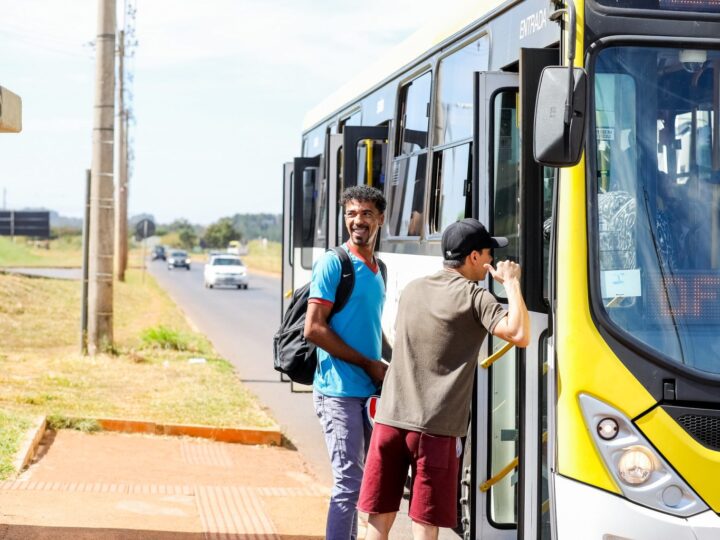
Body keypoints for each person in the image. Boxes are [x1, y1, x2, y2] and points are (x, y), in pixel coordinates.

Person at [357, 218, 531, 540]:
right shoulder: (475, 297)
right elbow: (520, 334)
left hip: (389, 421)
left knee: (378, 519)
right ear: (473, 257)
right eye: (488, 253)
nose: (492, 260)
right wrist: (512, 284)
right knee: (426, 522)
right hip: (434, 431)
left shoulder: (413, 289)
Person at [304, 185, 389, 540]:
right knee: (348, 485)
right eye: (352, 213)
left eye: (366, 214)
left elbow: (371, 327)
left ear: (380, 219)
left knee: (372, 484)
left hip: (368, 393)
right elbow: (314, 329)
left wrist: (390, 363)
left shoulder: (378, 267)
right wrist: (369, 364)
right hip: (337, 391)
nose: (358, 221)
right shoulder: (333, 263)